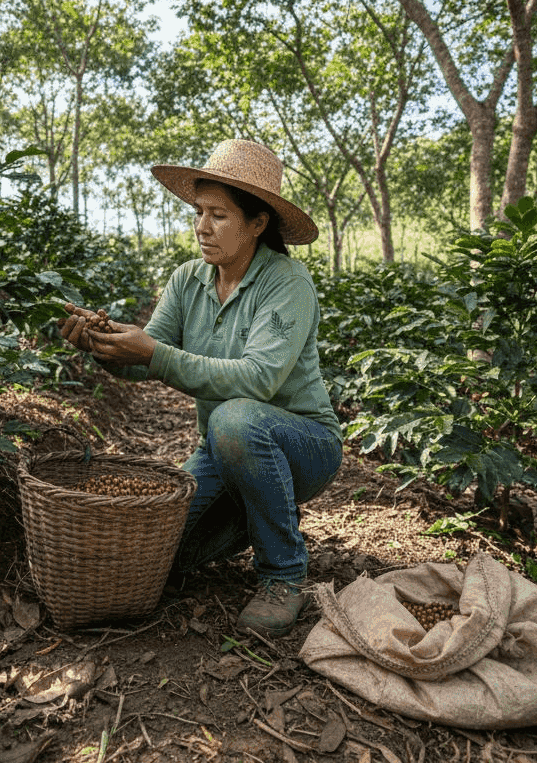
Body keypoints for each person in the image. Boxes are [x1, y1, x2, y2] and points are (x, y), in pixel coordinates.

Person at [57, 139, 344, 638]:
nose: (202, 226)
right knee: (155, 557)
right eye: (199, 211)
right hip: (223, 447)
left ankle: (284, 575)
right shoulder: (189, 279)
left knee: (233, 418)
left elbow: (257, 379)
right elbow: (149, 360)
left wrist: (152, 352)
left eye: (220, 215)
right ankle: (253, 510)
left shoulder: (288, 283)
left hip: (304, 443)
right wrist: (103, 347)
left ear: (258, 224)